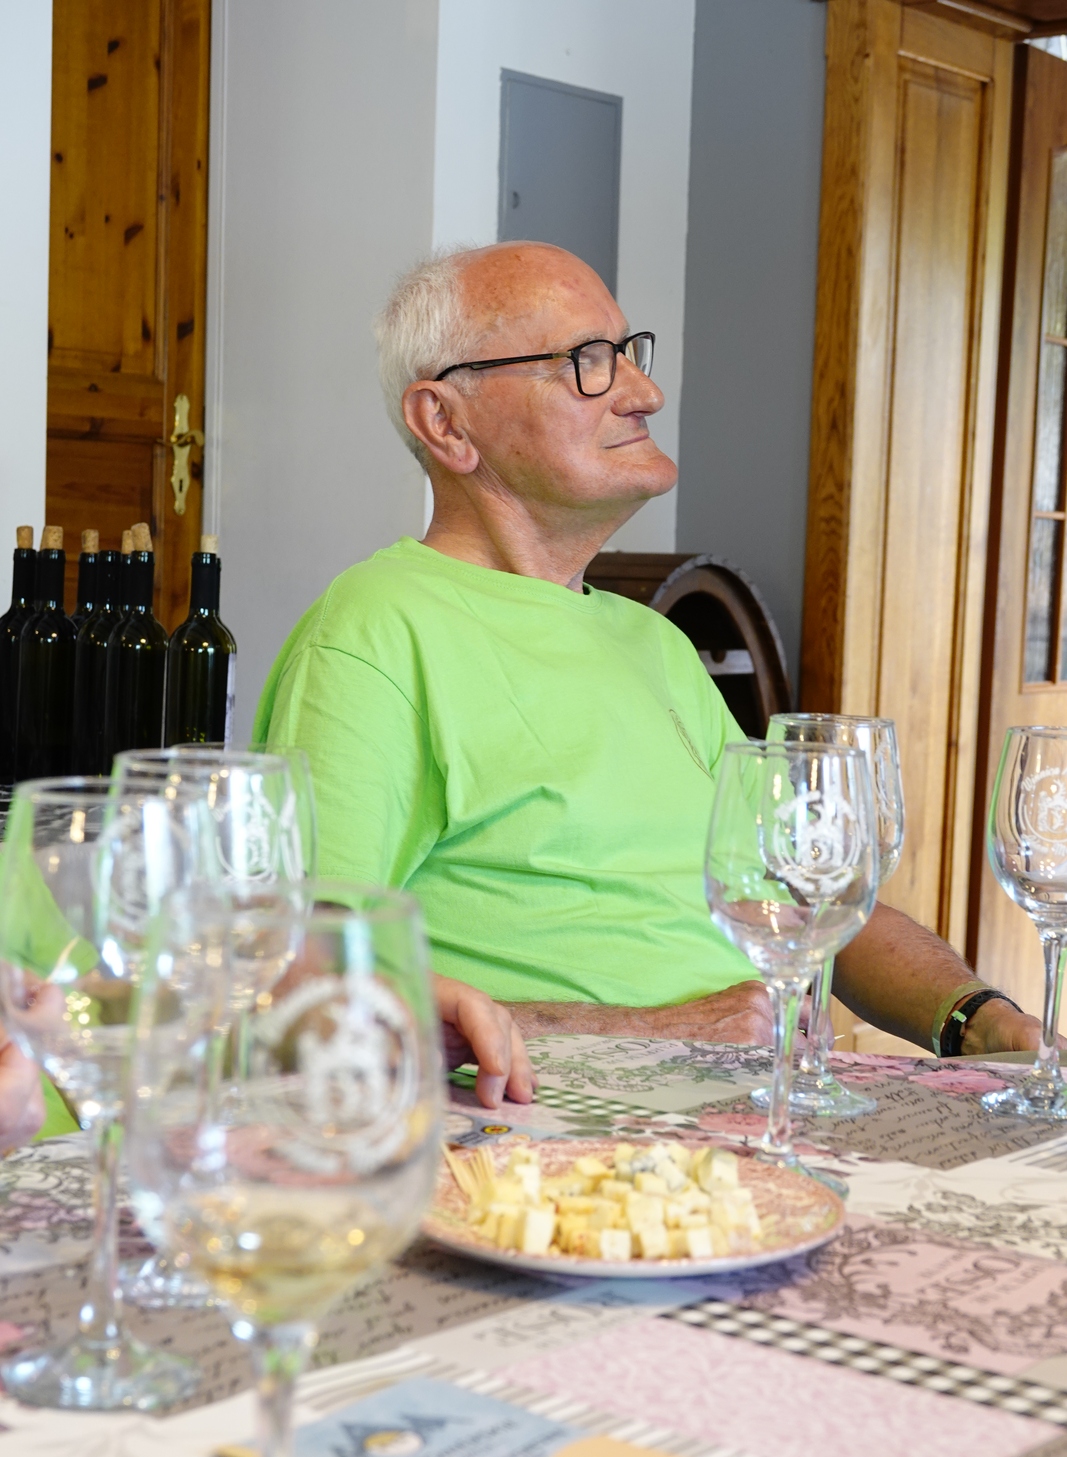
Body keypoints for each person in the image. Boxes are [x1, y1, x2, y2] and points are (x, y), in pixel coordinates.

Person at [252, 240, 1043, 1112]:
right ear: (445, 423)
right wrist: (664, 1031)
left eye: (627, 352)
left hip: (765, 1107)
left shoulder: (653, 642)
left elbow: (811, 905)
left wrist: (981, 1022)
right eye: (585, 360)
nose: (642, 391)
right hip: (564, 1140)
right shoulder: (373, 633)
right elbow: (299, 990)